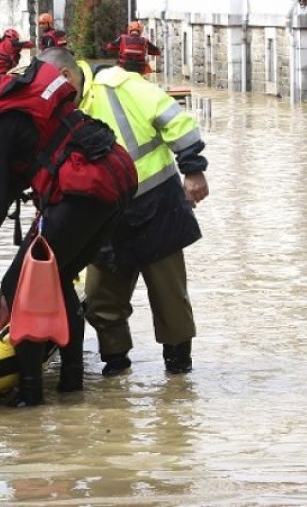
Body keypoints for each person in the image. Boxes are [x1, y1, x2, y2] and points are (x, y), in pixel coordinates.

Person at [0, 54, 138, 407]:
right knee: (60, 275)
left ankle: (30, 394)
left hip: (82, 191)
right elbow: (20, 175)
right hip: (113, 176)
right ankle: (71, 384)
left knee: (18, 286)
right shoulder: (7, 103)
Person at [77, 59, 208, 376]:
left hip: (156, 206)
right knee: (99, 299)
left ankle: (178, 374)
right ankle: (116, 367)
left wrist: (193, 170)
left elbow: (177, 121)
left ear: (68, 76)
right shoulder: (58, 108)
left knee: (169, 297)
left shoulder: (118, 85)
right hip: (104, 216)